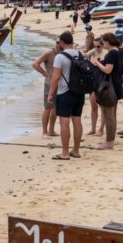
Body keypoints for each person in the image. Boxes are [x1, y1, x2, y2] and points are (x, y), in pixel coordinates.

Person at [47, 32, 83, 160]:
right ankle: (76, 151)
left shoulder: (60, 57)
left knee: (64, 122)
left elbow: (56, 77)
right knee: (77, 121)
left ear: (62, 42)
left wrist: (50, 93)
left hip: (65, 92)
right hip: (79, 92)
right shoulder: (79, 54)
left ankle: (65, 152)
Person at [89, 32, 123, 149]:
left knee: (108, 115)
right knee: (112, 114)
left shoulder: (112, 53)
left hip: (110, 87)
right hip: (116, 85)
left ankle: (109, 142)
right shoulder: (117, 51)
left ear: (108, 42)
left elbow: (108, 70)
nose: (102, 45)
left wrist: (96, 62)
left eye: (102, 43)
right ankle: (110, 139)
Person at [31, 41, 60, 139]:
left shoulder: (62, 53)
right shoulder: (49, 53)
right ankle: (44, 132)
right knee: (48, 107)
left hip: (59, 84)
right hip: (49, 84)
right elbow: (35, 64)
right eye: (58, 42)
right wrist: (44, 73)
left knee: (55, 108)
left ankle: (51, 130)